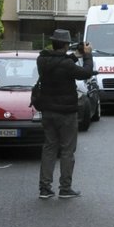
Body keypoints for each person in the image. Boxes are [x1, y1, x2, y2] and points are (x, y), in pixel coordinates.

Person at [35, 28, 94, 200]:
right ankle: (65, 188)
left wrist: (76, 55)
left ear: (53, 43)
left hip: (47, 111)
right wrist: (88, 55)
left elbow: (59, 62)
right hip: (66, 113)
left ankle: (44, 188)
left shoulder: (42, 60)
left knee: (49, 148)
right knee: (67, 150)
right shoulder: (67, 65)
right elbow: (86, 73)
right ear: (66, 44)